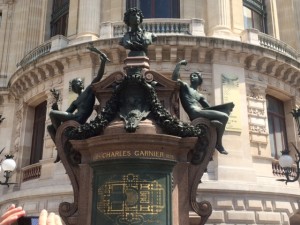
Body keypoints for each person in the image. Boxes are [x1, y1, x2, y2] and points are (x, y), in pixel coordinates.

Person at [47, 44, 110, 143]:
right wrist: (56, 103)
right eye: (75, 83)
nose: (78, 83)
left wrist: (102, 62)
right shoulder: (75, 101)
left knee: (52, 114)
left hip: (79, 119)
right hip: (74, 117)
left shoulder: (89, 90)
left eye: (79, 82)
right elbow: (65, 115)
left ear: (81, 84)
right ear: (74, 87)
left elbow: (98, 77)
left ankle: (60, 134)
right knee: (50, 128)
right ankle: (60, 144)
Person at [172, 60, 230, 154]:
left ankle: (214, 128)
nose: (192, 76)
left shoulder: (200, 96)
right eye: (191, 76)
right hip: (194, 112)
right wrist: (178, 65)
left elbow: (210, 109)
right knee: (224, 117)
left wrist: (225, 108)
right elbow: (174, 79)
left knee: (224, 116)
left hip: (199, 111)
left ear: (199, 80)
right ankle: (218, 143)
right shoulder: (185, 87)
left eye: (195, 75)